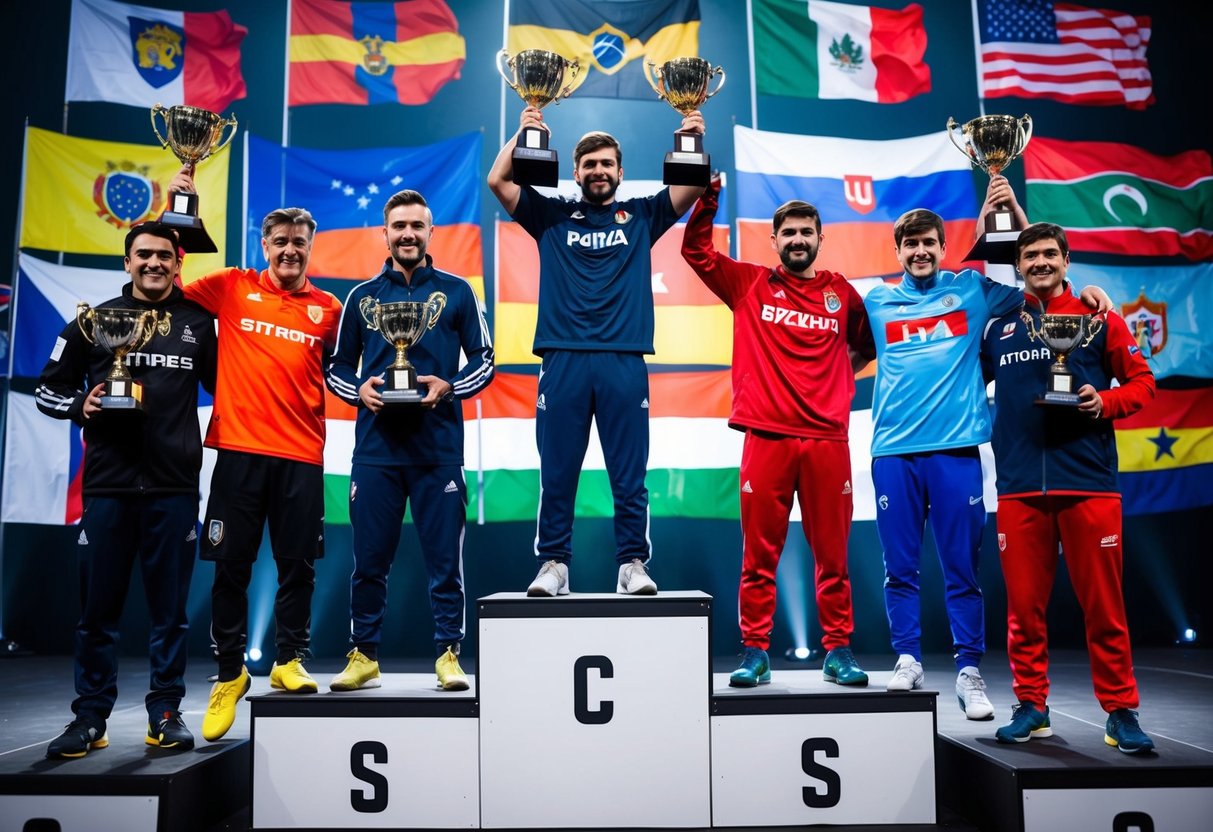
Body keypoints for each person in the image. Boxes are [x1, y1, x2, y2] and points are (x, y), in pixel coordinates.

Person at [863, 177, 1110, 719]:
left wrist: (1090, 290)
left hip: (956, 453)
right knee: (898, 567)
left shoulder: (973, 291)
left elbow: (1043, 280)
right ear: (899, 251)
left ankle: (970, 672)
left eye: (930, 242)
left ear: (943, 247)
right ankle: (906, 659)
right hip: (893, 454)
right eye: (911, 244)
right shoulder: (876, 301)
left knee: (962, 570)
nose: (921, 251)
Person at [487, 106, 706, 596]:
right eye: (590, 165)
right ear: (576, 172)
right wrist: (523, 132)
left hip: (624, 360)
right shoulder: (551, 214)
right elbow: (499, 181)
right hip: (562, 359)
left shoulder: (644, 215)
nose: (599, 171)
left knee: (630, 475)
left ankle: (632, 565)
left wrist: (690, 137)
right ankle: (554, 566)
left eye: (607, 164)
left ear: (620, 172)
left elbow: (691, 189)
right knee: (557, 473)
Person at [168, 167, 341, 742]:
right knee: (230, 568)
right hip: (239, 453)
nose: (290, 250)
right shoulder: (231, 287)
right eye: (280, 242)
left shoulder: (329, 309)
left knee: (298, 567)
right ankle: (228, 673)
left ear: (310, 249)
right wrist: (182, 208)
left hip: (301, 457)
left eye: (300, 242)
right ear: (264, 246)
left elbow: (343, 373)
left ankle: (289, 660)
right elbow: (168, 281)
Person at [681, 177, 875, 687]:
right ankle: (755, 652)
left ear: (819, 238)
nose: (797, 240)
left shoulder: (841, 294)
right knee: (759, 555)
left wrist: (834, 382)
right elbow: (695, 251)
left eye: (805, 232)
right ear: (774, 240)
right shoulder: (749, 284)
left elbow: (869, 345)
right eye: (788, 232)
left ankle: (838, 651)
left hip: (827, 442)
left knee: (833, 557)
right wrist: (708, 199)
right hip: (766, 438)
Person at [36, 221, 217, 757]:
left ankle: (165, 711)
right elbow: (48, 386)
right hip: (109, 490)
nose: (155, 263)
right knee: (96, 613)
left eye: (165, 255)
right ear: (127, 262)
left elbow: (232, 385)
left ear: (178, 263)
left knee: (171, 613)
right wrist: (79, 405)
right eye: (144, 255)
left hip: (174, 488)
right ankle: (90, 717)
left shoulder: (197, 323)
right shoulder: (92, 323)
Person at [981, 223, 1155, 752]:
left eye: (1048, 254)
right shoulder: (999, 327)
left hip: (1089, 484)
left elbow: (1144, 383)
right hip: (1018, 488)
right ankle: (1031, 706)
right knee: (1024, 609)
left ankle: (1121, 712)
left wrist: (1106, 402)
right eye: (1029, 255)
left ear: (1065, 259)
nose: (1039, 262)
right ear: (1017, 264)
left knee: (1105, 607)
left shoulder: (1099, 318)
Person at [325, 189, 494, 692]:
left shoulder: (458, 292)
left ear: (430, 233)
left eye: (416, 226)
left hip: (437, 451)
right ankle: (364, 655)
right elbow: (335, 367)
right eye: (398, 226)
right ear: (385, 232)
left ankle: (447, 654)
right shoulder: (361, 297)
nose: (407, 234)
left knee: (445, 563)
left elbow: (485, 360)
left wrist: (449, 387)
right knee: (369, 562)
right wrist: (359, 392)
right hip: (376, 453)